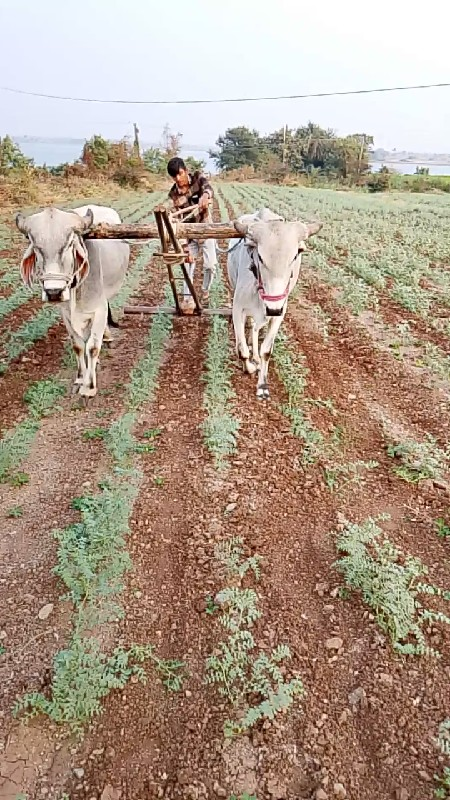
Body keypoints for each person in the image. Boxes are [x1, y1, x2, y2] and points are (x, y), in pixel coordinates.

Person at [167, 157, 218, 312]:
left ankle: (205, 291)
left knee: (210, 266)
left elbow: (209, 188)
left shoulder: (198, 178)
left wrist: (205, 196)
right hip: (189, 233)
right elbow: (177, 220)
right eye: (174, 176)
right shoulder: (174, 194)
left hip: (205, 228)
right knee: (188, 265)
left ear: (186, 171)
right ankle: (188, 300)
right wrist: (184, 247)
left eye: (180, 174)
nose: (178, 178)